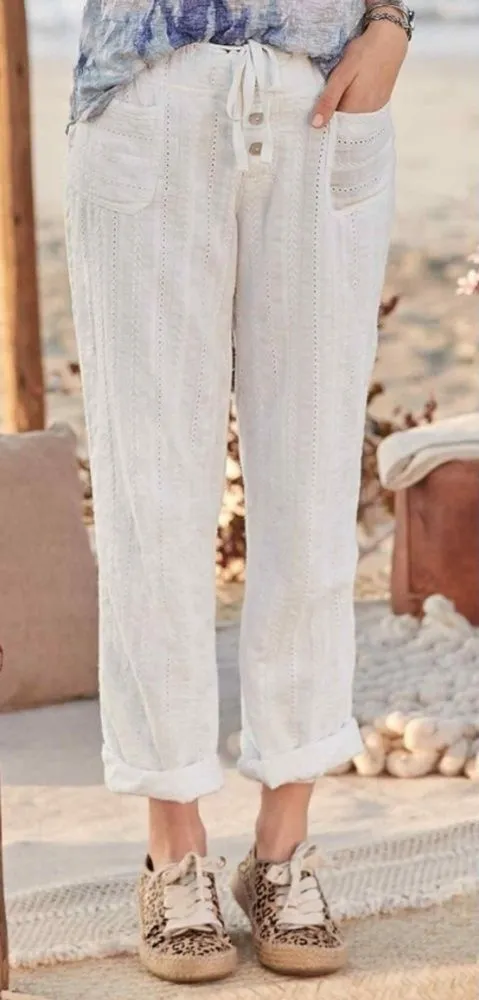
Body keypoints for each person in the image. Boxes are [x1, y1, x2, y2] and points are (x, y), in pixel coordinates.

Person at [65, 0, 413, 985]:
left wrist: (392, 22)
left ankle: (282, 849)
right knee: (151, 498)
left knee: (311, 492)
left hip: (322, 93)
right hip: (147, 94)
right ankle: (173, 849)